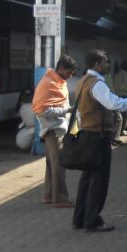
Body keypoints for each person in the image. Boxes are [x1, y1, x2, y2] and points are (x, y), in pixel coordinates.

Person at [73, 50, 127, 233]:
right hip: (98, 137)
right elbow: (114, 104)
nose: (108, 64)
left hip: (86, 135)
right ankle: (93, 220)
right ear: (97, 64)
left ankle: (80, 217)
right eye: (106, 61)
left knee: (86, 179)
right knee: (98, 180)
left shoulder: (82, 81)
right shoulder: (97, 84)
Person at [33, 55, 77, 207]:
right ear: (61, 69)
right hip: (53, 130)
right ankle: (60, 199)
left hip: (55, 129)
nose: (71, 76)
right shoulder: (48, 83)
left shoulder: (59, 82)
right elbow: (42, 110)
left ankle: (49, 196)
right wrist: (66, 110)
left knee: (51, 164)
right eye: (70, 72)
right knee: (59, 164)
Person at [111, 60, 127, 146]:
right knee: (125, 114)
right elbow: (125, 85)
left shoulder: (116, 74)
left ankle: (119, 131)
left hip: (117, 95)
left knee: (119, 115)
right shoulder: (124, 73)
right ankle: (122, 130)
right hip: (124, 94)